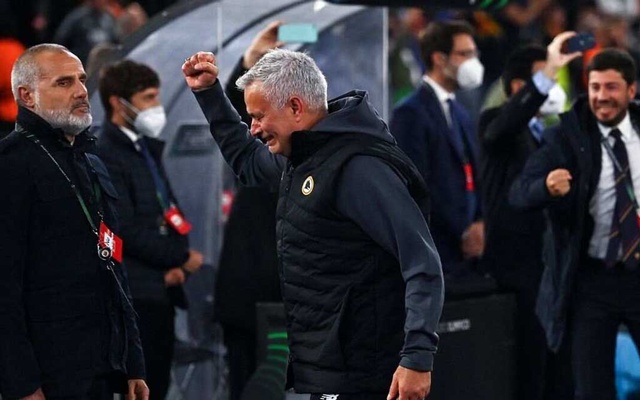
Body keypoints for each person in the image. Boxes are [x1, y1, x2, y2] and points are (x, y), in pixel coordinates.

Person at [182, 49, 444, 400]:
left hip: (368, 375)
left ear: (295, 107)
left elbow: (422, 262)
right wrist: (209, 93)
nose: (254, 128)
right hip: (331, 371)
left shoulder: (359, 169)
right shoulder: (304, 156)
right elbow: (247, 160)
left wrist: (417, 357)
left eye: (259, 116)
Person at [0, 43, 148, 400]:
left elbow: (114, 266)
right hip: (48, 374)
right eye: (64, 83)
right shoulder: (9, 165)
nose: (82, 91)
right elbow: (3, 287)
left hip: (103, 369)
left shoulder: (91, 162)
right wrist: (20, 384)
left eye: (82, 79)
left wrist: (133, 363)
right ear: (27, 96)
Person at [510, 48, 640, 400]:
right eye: (595, 87)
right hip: (591, 281)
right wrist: (545, 187)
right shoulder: (566, 136)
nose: (601, 96)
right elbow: (519, 192)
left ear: (631, 90)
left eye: (611, 87)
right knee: (592, 389)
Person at [95, 59, 203, 400]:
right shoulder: (107, 153)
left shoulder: (144, 149)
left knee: (159, 382)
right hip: (139, 294)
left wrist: (177, 258)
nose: (157, 107)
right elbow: (123, 228)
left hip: (161, 292)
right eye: (148, 98)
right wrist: (178, 257)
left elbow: (167, 208)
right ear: (118, 103)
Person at [479, 32, 578, 400]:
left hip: (550, 269)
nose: (554, 87)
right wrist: (548, 71)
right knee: (528, 371)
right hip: (517, 271)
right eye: (546, 78)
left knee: (559, 372)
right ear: (521, 87)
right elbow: (505, 125)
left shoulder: (550, 135)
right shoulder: (496, 123)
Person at [216, 21, 283, 400]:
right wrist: (251, 62)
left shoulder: (312, 159)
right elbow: (234, 122)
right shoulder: (263, 161)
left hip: (288, 304)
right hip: (249, 299)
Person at [390, 20, 485, 277]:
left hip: (466, 254)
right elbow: (416, 186)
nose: (472, 62)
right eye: (464, 54)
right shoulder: (410, 113)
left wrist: (478, 223)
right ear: (439, 59)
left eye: (474, 54)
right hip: (435, 250)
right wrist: (461, 232)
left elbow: (473, 174)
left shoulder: (461, 113)